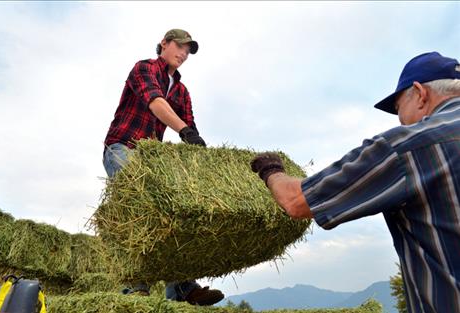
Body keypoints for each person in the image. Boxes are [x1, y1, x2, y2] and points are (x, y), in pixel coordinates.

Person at [250, 52, 460, 313]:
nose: (400, 119)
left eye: (397, 108)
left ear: (420, 93)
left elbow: (295, 201)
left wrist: (270, 170)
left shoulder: (408, 147)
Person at [103, 28, 224, 306]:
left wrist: (198, 149)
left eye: (188, 50)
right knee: (138, 203)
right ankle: (136, 286)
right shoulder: (144, 68)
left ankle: (182, 288)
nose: (183, 53)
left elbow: (190, 127)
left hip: (151, 160)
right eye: (179, 46)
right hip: (122, 147)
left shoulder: (181, 90)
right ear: (164, 44)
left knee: (176, 210)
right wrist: (184, 131)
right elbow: (156, 102)